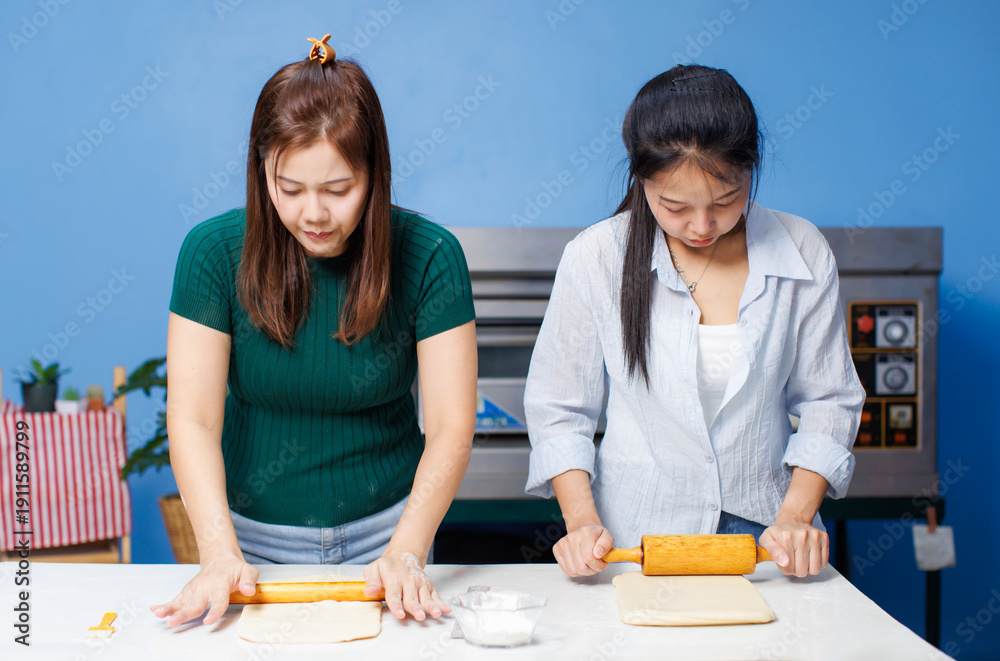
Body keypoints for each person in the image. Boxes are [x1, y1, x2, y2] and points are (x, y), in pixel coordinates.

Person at [151, 35, 477, 626]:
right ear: (261, 172)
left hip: (393, 535)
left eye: (338, 189)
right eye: (290, 189)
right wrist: (219, 552)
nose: (314, 214)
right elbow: (193, 418)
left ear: (374, 176)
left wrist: (405, 550)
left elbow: (452, 424)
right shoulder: (212, 253)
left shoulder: (431, 256)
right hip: (249, 541)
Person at [524, 64, 865, 580]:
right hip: (635, 543)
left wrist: (796, 517)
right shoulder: (596, 257)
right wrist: (581, 522)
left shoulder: (802, 250)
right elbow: (559, 408)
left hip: (768, 545)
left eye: (726, 201)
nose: (702, 226)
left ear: (751, 168)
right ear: (641, 179)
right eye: (675, 206)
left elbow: (829, 401)